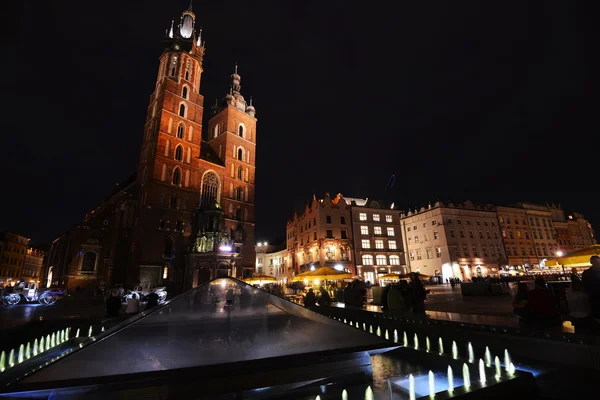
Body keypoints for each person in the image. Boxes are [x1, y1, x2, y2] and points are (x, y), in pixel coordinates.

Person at [582, 256, 600, 322]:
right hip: (594, 298)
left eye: (598, 262)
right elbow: (586, 286)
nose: (597, 263)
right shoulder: (586, 273)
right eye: (595, 262)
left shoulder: (587, 273)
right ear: (591, 263)